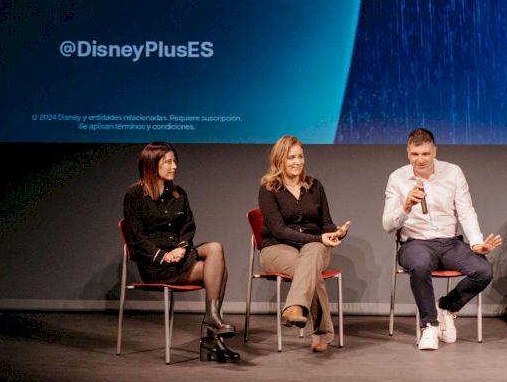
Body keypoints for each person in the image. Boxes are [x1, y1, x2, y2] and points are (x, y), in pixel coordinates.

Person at [382, 128, 503, 350]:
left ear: (434, 151)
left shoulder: (453, 173)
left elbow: (466, 211)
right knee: (419, 265)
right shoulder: (397, 178)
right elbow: (388, 225)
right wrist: (406, 207)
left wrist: (477, 243)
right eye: (415, 154)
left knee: (483, 270)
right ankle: (429, 325)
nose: (420, 159)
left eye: (425, 154)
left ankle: (446, 307)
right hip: (415, 243)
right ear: (408, 152)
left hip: (449, 243)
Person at [121, 141, 239, 363]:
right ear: (151, 164)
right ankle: (210, 337)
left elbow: (187, 228)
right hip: (156, 266)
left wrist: (181, 249)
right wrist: (164, 255)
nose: (174, 166)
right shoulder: (134, 195)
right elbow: (136, 238)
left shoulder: (178, 194)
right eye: (168, 162)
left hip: (180, 257)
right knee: (220, 272)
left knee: (215, 248)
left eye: (174, 161)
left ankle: (212, 320)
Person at [257, 135, 350, 354]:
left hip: (313, 248)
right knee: (310, 268)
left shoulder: (314, 186)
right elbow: (279, 230)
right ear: (279, 159)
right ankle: (322, 333)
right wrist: (317, 239)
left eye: (300, 156)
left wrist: (337, 232)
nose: (297, 162)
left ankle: (294, 307)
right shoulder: (268, 189)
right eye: (291, 157)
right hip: (276, 248)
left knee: (313, 255)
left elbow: (325, 223)